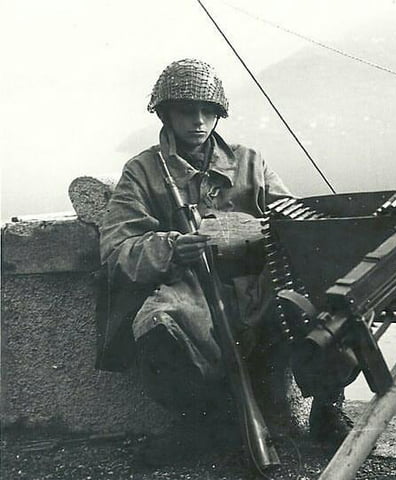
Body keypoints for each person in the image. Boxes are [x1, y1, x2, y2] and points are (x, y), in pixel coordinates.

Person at [97, 58, 352, 465]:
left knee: (330, 302)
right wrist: (170, 246)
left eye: (208, 111)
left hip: (259, 283)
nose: (199, 121)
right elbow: (117, 250)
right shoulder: (142, 172)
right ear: (165, 113)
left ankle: (327, 407)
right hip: (192, 287)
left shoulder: (250, 161)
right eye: (186, 110)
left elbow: (293, 223)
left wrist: (247, 229)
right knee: (160, 325)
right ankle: (197, 425)